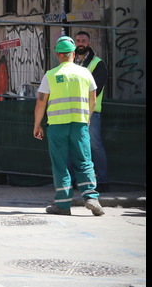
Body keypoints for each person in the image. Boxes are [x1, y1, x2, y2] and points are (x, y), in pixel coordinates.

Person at [33, 36, 104, 216]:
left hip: (57, 126)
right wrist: (86, 118)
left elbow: (41, 103)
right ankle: (91, 198)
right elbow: (93, 100)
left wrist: (37, 125)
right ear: (73, 53)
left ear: (58, 55)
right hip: (79, 124)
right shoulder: (86, 73)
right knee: (84, 161)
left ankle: (63, 205)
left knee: (60, 164)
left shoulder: (51, 75)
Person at [73, 31, 109, 191]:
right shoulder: (70, 62)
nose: (80, 43)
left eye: (84, 41)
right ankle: (74, 181)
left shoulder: (98, 64)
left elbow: (96, 88)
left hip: (91, 111)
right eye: (78, 40)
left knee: (95, 146)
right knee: (73, 146)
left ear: (89, 43)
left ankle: (102, 182)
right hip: (72, 110)